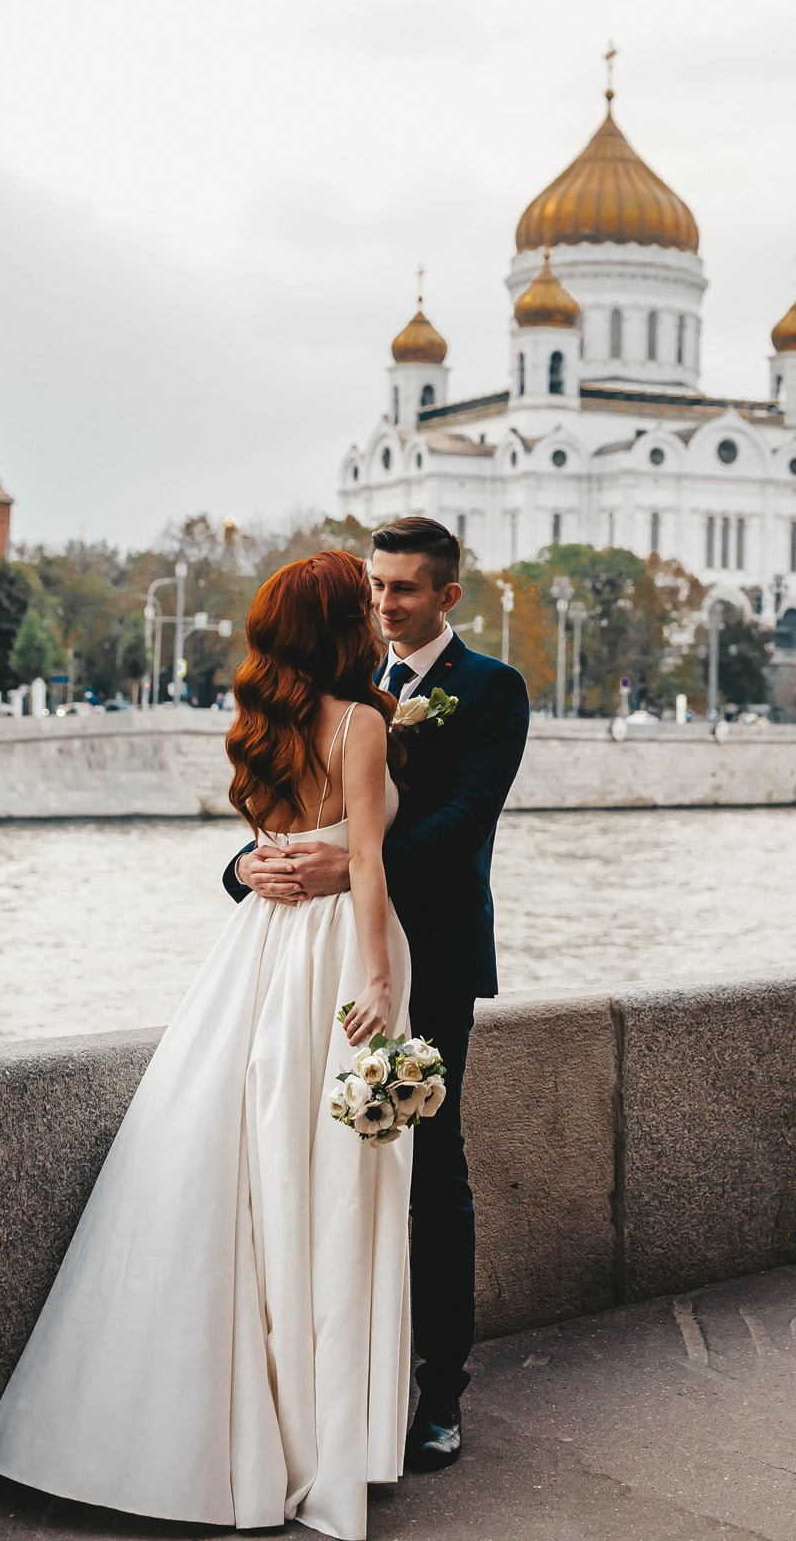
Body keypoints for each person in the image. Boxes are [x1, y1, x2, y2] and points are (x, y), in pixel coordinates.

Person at [0, 550, 413, 1541]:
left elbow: (266, 852)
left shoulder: (264, 724)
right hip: (334, 955)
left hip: (254, 951)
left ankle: (194, 1430)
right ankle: (324, 1437)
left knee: (254, 1161)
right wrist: (382, 980)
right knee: (332, 1184)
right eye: (366, 601)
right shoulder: (362, 722)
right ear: (348, 622)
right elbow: (371, 866)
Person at [226, 515, 530, 1472]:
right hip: (308, 962)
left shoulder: (490, 691)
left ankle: (438, 1392)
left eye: (404, 588)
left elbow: (460, 824)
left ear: (448, 595)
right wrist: (250, 864)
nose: (385, 602)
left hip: (424, 965)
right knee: (300, 1170)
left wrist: (349, 868)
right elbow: (283, 805)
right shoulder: (337, 690)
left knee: (428, 1171)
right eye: (376, 584)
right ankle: (331, 1385)